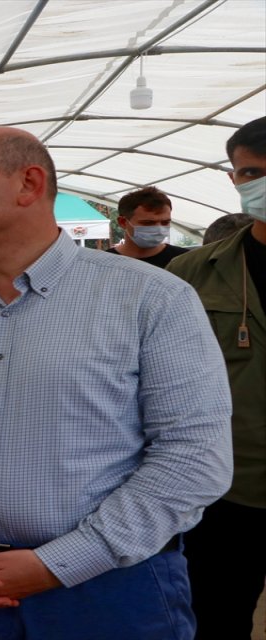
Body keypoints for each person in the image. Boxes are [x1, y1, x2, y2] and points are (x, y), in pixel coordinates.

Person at [0, 126, 232, 639]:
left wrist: (61, 563)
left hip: (102, 588)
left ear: (28, 184)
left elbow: (192, 456)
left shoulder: (152, 299)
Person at [167, 115, 266, 640]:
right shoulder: (192, 275)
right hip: (226, 493)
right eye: (251, 174)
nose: (261, 185)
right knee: (215, 618)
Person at [107, 186, 189, 267]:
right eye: (148, 222)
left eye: (165, 222)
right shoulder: (104, 262)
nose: (159, 229)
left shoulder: (185, 260)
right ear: (123, 222)